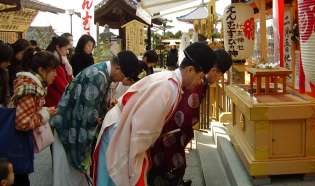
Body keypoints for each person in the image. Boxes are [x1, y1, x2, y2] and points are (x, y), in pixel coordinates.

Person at [92, 42, 231, 186]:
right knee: (117, 177)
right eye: (200, 77)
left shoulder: (172, 83)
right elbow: (141, 132)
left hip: (125, 126)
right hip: (121, 129)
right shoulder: (167, 87)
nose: (199, 82)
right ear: (190, 70)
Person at [50, 51, 142, 186]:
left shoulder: (102, 72)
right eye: (123, 75)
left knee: (70, 178)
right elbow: (87, 117)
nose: (122, 80)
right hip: (69, 130)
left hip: (69, 126)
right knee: (68, 178)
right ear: (117, 68)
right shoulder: (98, 77)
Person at [148, 49, 232, 186]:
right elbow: (186, 114)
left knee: (165, 165)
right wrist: (191, 125)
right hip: (172, 132)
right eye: (220, 74)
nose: (219, 78)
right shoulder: (198, 83)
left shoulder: (198, 80)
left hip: (170, 131)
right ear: (214, 70)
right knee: (170, 165)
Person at [11, 51, 59, 186]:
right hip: (17, 145)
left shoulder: (33, 87)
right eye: (53, 71)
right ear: (41, 70)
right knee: (20, 178)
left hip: (19, 145)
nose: (55, 74)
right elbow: (22, 123)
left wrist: (44, 111)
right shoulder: (30, 89)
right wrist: (44, 115)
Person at [46, 36, 72, 107]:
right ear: (57, 47)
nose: (67, 52)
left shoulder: (61, 62)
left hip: (55, 103)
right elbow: (63, 87)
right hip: (55, 104)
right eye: (66, 49)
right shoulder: (54, 64)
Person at [0, 43, 13, 107]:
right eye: (7, 61)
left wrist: (9, 105)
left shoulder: (5, 72)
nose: (9, 64)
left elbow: (6, 92)